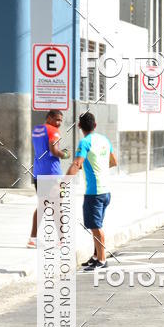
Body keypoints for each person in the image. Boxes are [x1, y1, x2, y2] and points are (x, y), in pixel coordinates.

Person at [66, 111, 118, 269]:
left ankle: (102, 260)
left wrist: (63, 183)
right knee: (97, 225)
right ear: (95, 125)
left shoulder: (84, 142)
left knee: (95, 227)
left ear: (79, 126)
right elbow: (113, 162)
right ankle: (96, 256)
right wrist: (98, 167)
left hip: (94, 192)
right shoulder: (104, 140)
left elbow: (77, 163)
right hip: (106, 191)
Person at [28, 110, 70, 247]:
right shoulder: (53, 131)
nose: (59, 123)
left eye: (61, 120)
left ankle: (33, 239)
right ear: (49, 118)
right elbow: (54, 151)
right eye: (57, 119)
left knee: (42, 206)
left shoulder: (36, 130)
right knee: (58, 206)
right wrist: (66, 154)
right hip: (53, 174)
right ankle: (62, 240)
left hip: (38, 173)